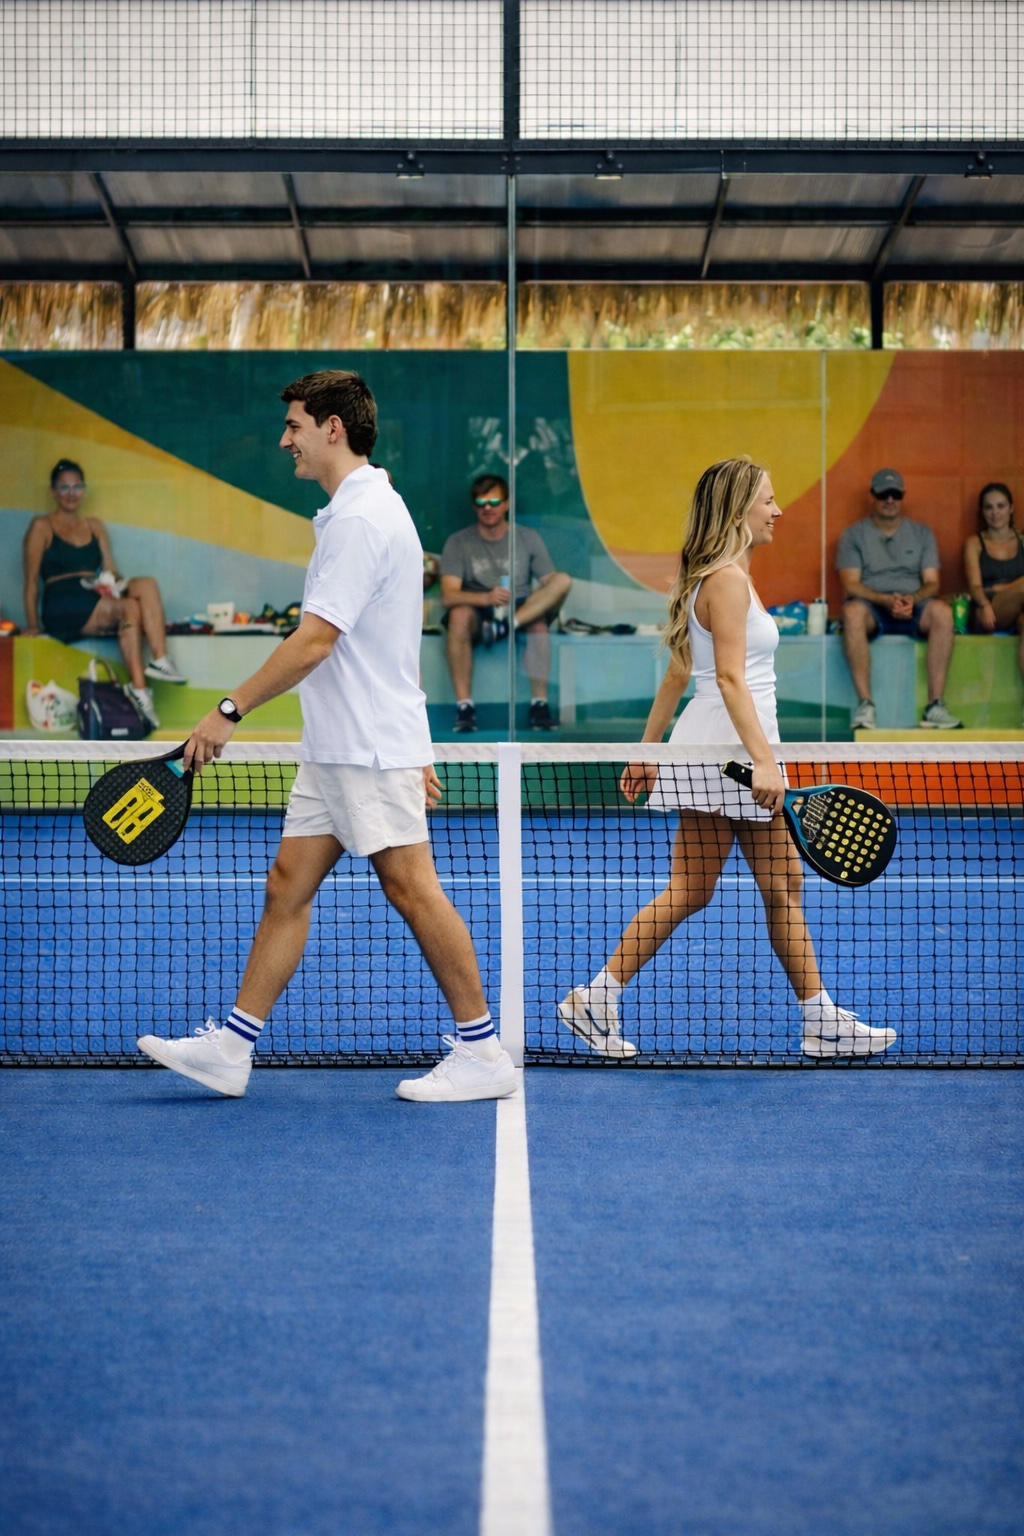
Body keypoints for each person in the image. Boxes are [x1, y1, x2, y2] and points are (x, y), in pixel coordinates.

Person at [137, 370, 516, 1104]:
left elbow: (315, 642)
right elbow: (384, 642)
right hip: (341, 747)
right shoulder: (360, 509)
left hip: (366, 748)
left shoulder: (359, 519)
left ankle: (483, 1051)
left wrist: (228, 710)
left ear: (332, 428)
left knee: (411, 889)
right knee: (288, 885)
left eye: (295, 427)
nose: (285, 440)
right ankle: (232, 1049)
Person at [558, 456, 896, 1060]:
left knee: (770, 884)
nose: (778, 510)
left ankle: (818, 1020)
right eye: (767, 500)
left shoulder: (722, 575)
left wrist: (649, 751)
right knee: (705, 888)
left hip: (723, 747)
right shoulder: (728, 580)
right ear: (739, 509)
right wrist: (765, 764)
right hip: (730, 752)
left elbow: (680, 671)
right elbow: (731, 682)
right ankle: (596, 998)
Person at [22, 459, 186, 730]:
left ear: (83, 490)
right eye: (64, 487)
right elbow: (30, 581)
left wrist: (110, 583)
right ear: (53, 491)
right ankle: (139, 690)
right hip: (61, 602)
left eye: (76, 486)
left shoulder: (94, 526)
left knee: (145, 585)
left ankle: (159, 660)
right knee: (128, 609)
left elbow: (110, 569)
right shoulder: (42, 526)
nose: (71, 493)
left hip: (93, 593)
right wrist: (31, 624)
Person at [440, 473, 572, 732]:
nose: (487, 508)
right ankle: (464, 707)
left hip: (521, 608)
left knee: (559, 587)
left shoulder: (528, 537)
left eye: (494, 501)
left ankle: (539, 705)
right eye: (481, 503)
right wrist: (486, 597)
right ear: (474, 506)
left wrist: (522, 612)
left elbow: (552, 582)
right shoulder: (458, 541)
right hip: (479, 610)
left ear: (507, 503)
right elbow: (448, 595)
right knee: (458, 614)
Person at [836, 467, 961, 731]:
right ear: (873, 496)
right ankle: (866, 706)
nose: (890, 500)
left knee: (942, 613)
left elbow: (932, 583)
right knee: (851, 613)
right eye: (884, 494)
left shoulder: (922, 533)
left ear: (902, 496)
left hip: (914, 605)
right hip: (873, 607)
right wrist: (885, 600)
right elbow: (851, 585)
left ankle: (935, 706)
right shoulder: (853, 535)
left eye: (895, 494)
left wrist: (911, 600)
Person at [963, 481, 1024, 725]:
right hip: (987, 609)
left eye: (1000, 506)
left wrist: (1003, 587)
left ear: (1011, 509)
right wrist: (986, 601)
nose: (995, 512)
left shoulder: (1022, 540)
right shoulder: (974, 543)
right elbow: (975, 587)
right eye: (989, 507)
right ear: (982, 511)